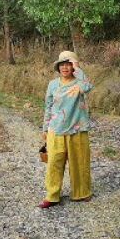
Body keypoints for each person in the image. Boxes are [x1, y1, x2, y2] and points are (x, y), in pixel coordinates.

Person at [39, 50, 94, 209]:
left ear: (74, 67)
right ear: (58, 67)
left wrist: (78, 67)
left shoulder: (80, 82)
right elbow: (48, 107)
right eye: (62, 64)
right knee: (53, 163)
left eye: (69, 64)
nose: (65, 67)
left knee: (80, 163)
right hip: (55, 130)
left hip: (78, 129)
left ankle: (81, 192)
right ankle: (52, 195)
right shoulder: (52, 84)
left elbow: (88, 86)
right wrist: (45, 128)